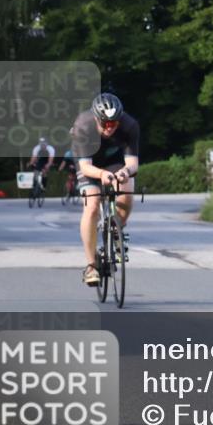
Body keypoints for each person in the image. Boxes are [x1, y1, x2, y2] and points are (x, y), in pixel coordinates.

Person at [71, 93, 141, 286]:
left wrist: (125, 172)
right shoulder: (83, 126)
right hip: (89, 163)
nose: (110, 127)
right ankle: (91, 266)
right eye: (105, 123)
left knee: (126, 188)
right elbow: (85, 167)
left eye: (114, 123)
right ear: (96, 118)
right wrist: (101, 175)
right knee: (92, 204)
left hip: (114, 161)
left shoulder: (129, 125)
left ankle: (117, 230)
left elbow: (133, 164)